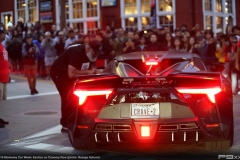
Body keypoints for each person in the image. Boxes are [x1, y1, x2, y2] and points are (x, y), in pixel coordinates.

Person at [50, 40, 104, 132]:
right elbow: (71, 74)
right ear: (88, 48)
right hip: (59, 73)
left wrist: (94, 71)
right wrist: (92, 72)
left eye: (98, 53)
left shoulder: (89, 54)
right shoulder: (76, 52)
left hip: (70, 74)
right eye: (95, 52)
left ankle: (76, 118)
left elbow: (87, 69)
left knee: (76, 95)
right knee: (67, 95)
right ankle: (65, 124)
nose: (96, 55)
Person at [0, 27, 10, 128]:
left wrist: (8, 74)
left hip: (3, 77)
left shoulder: (2, 46)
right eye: (2, 33)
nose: (4, 35)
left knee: (1, 100)